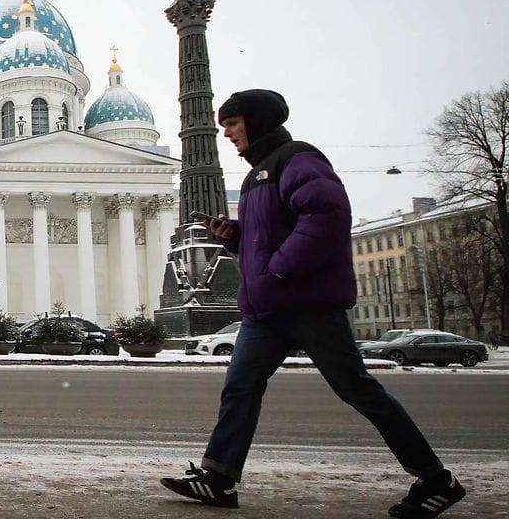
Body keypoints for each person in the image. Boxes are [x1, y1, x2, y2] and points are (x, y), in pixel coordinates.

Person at [160, 89, 465, 518]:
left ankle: (437, 480)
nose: (225, 132)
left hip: (308, 304)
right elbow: (268, 238)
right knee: (240, 388)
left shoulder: (298, 160)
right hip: (266, 310)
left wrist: (279, 270)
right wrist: (236, 236)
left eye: (232, 123)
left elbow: (326, 218)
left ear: (257, 120)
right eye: (224, 125)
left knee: (358, 390)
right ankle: (219, 478)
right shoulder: (256, 176)